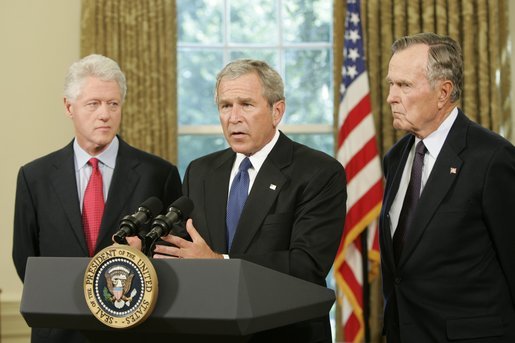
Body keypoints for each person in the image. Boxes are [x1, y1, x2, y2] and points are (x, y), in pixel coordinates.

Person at [151, 59, 347, 342]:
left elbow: (306, 265)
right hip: (211, 331)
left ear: (277, 111)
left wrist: (220, 263)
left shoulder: (318, 172)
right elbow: (185, 249)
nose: (234, 117)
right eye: (225, 106)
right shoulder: (200, 171)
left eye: (246, 104)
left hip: (285, 333)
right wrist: (145, 250)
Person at [12, 54, 182, 343]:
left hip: (136, 330)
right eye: (93, 104)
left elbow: (175, 255)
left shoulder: (159, 174)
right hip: (59, 331)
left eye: (113, 104)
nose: (105, 114)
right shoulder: (34, 177)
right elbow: (25, 258)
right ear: (69, 106)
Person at [380, 32, 515, 342]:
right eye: (390, 84)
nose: (390, 96)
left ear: (443, 92)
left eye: (404, 85)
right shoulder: (396, 157)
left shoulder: (492, 158)